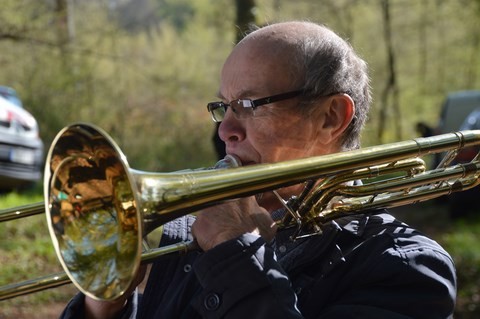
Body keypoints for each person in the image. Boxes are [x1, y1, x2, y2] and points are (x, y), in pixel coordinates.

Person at [60, 21, 456, 318]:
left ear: (330, 117)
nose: (225, 130)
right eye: (224, 107)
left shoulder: (408, 266)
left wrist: (235, 252)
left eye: (250, 105)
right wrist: (103, 308)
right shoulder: (189, 232)